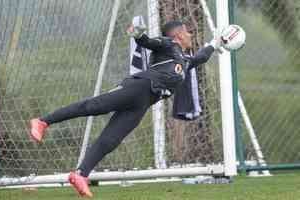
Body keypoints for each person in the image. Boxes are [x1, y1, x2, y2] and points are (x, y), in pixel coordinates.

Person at [29, 20, 221, 197]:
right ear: (178, 35)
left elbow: (201, 57)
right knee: (94, 106)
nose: (191, 35)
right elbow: (148, 42)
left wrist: (216, 43)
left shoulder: (184, 60)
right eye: (188, 32)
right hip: (138, 88)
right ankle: (42, 121)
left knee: (111, 139)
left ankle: (80, 174)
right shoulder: (168, 44)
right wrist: (139, 35)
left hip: (144, 103)